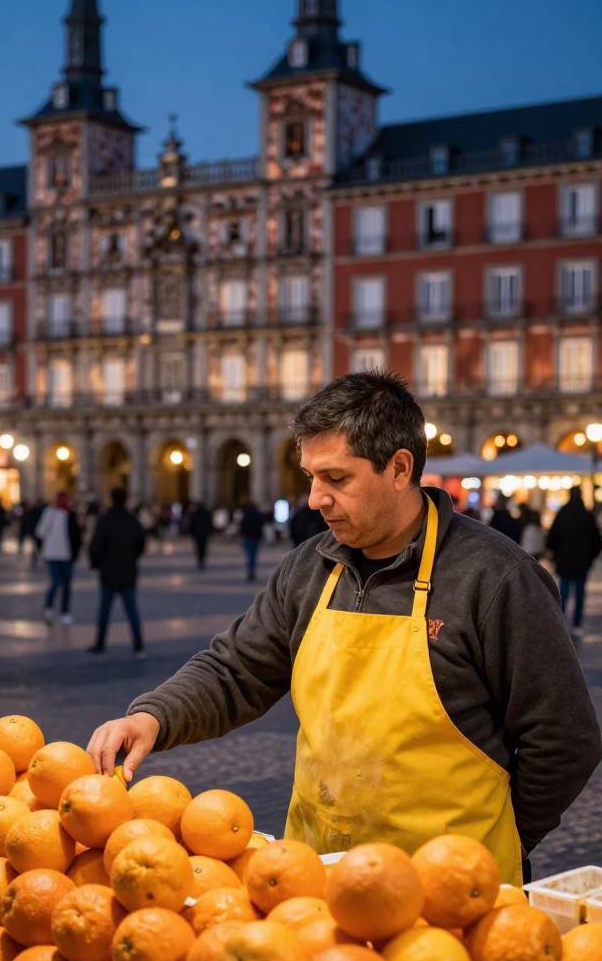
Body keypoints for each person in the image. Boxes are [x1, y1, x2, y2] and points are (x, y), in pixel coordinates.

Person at [87, 370, 602, 886]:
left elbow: (563, 736)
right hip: (315, 878)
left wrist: (507, 836)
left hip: (451, 892)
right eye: (310, 476)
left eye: (336, 478)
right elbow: (236, 669)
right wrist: (154, 717)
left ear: (400, 468)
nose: (315, 498)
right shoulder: (309, 568)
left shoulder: (496, 577)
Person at [86, 488, 146, 656]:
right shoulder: (132, 520)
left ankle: (100, 643)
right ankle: (138, 645)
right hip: (128, 572)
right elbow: (141, 544)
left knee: (104, 611)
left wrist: (96, 563)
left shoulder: (105, 520)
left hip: (109, 572)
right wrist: (132, 557)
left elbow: (95, 546)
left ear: (111, 499)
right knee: (132, 611)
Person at [547, 486, 602, 637]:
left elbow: (553, 536)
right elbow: (596, 540)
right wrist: (590, 557)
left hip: (565, 560)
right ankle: (577, 624)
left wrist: (555, 553)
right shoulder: (586, 515)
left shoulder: (563, 513)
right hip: (582, 561)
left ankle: (561, 622)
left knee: (563, 591)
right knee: (579, 593)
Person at [36, 491, 82, 624]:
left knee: (67, 585)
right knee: (55, 582)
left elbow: (76, 536)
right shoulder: (49, 512)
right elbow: (41, 532)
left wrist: (76, 552)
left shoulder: (70, 514)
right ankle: (48, 609)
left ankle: (65, 612)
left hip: (67, 555)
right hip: (52, 555)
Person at [239, 500, 266, 581]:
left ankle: (250, 569)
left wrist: (243, 535)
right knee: (253, 555)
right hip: (256, 537)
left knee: (249, 554)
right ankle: (252, 569)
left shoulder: (246, 515)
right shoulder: (258, 515)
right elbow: (261, 525)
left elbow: (242, 527)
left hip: (248, 538)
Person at [187, 501, 214, 569]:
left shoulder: (196, 514)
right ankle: (202, 560)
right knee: (203, 547)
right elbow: (210, 523)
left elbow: (192, 524)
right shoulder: (206, 513)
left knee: (199, 548)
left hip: (198, 534)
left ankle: (200, 560)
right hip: (204, 534)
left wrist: (191, 532)